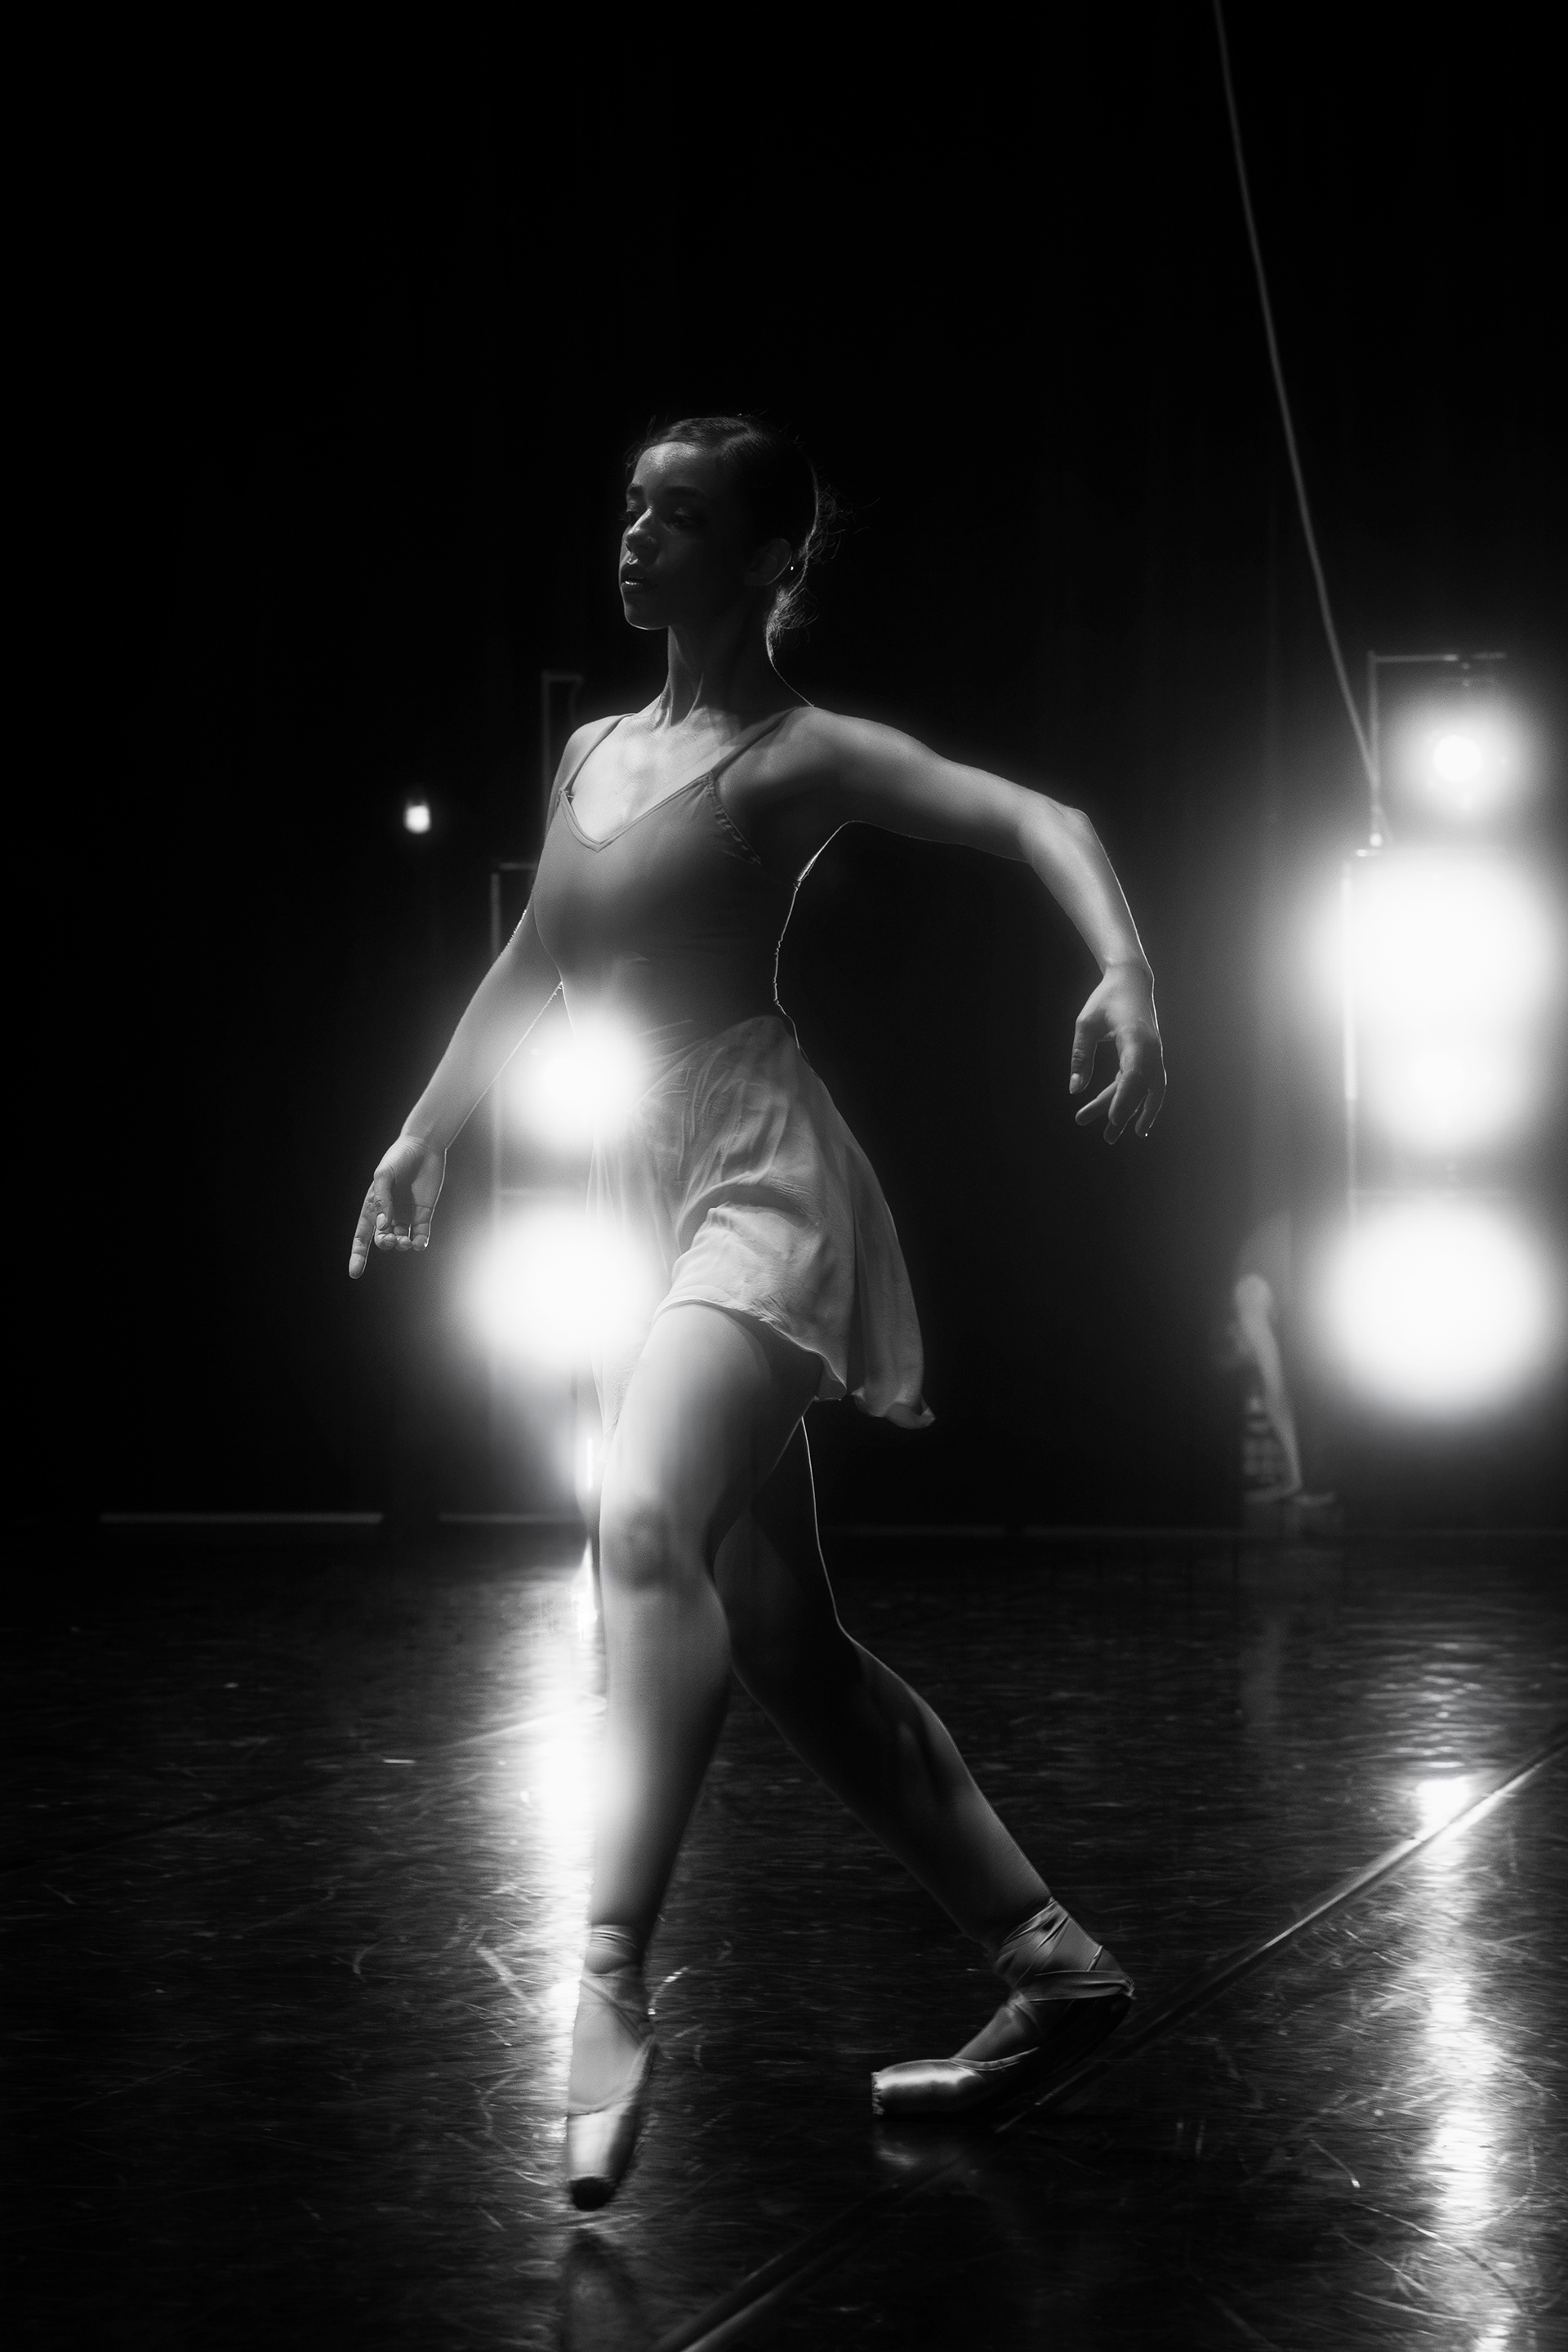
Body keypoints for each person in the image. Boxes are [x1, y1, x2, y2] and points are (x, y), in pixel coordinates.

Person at [348, 416, 1167, 2208]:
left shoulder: (791, 758)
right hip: (639, 1195)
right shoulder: (591, 752)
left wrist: (1123, 968)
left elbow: (1043, 816)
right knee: (785, 1641)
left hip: (756, 1177)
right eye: (632, 506)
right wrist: (424, 1130)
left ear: (771, 559)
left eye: (684, 515)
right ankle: (1054, 1967)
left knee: (638, 1518)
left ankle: (606, 1976)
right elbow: (534, 954)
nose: (637, 536)